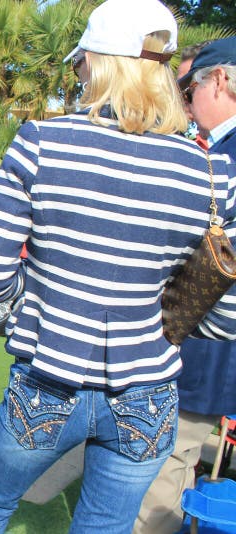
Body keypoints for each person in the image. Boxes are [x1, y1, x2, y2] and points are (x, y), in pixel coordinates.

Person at [0, 1, 236, 532]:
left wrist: (29, 316)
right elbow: (227, 316)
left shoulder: (41, 143)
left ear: (101, 62)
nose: (79, 72)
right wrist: (161, 329)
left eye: (80, 61)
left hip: (47, 379)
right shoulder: (210, 171)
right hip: (149, 395)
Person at [135, 36, 236, 534]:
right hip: (202, 349)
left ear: (220, 80)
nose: (185, 101)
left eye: (189, 87)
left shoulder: (224, 160)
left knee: (161, 472)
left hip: (202, 343)